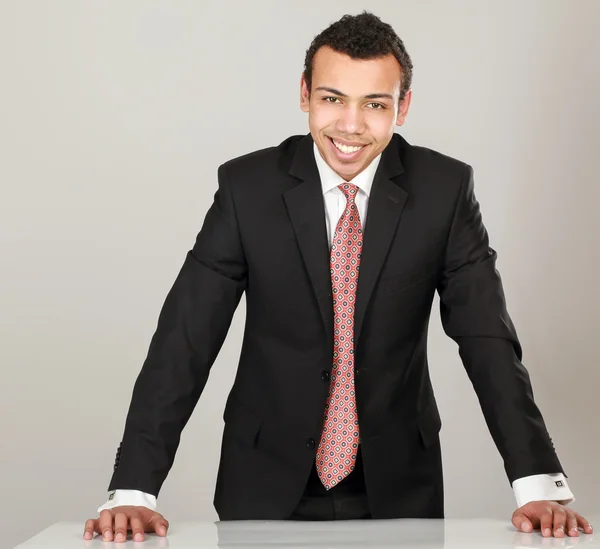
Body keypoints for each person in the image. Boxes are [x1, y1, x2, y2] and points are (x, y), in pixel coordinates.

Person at [83, 11, 593, 543]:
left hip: (399, 485)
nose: (350, 126)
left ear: (404, 106)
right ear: (304, 94)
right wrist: (133, 492)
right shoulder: (247, 189)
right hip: (262, 480)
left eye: (375, 104)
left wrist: (537, 483)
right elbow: (184, 340)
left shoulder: (444, 190)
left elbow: (488, 339)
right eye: (332, 99)